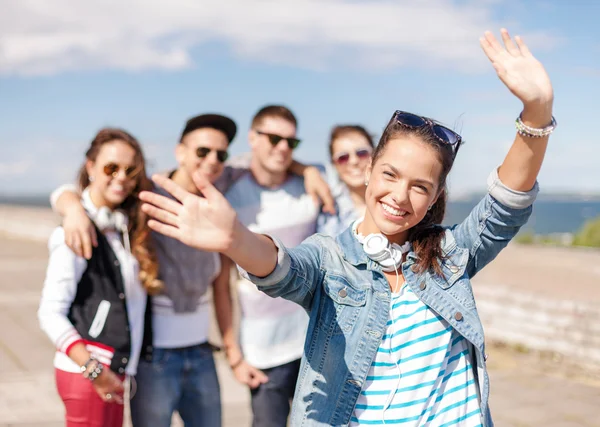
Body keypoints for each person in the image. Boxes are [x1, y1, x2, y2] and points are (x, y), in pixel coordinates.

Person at [139, 29, 555, 427]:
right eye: (390, 175)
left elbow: (506, 202)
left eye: (419, 187)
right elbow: (284, 269)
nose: (400, 196)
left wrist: (536, 110)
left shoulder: (450, 253)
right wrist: (236, 240)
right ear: (370, 171)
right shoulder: (330, 258)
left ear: (434, 196)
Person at [49, 113, 334, 427]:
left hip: (201, 353)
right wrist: (70, 206)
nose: (212, 160)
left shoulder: (221, 183)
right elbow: (101, 187)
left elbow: (268, 160)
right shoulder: (148, 192)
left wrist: (306, 169)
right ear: (180, 151)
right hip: (153, 357)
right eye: (202, 151)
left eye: (220, 154)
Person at [38, 128, 159, 427]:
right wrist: (93, 371)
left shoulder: (121, 227)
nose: (121, 177)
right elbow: (49, 313)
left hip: (111, 372)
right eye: (111, 167)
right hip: (90, 373)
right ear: (90, 166)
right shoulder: (75, 231)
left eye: (130, 170)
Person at [223, 105, 334, 427]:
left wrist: (308, 171)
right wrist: (234, 353)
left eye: (291, 142)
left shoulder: (313, 184)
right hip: (263, 351)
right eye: (274, 138)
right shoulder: (229, 195)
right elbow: (221, 281)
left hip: (316, 341)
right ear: (252, 139)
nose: (283, 147)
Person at [318, 125, 375, 237]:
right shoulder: (328, 208)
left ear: (375, 154)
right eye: (343, 157)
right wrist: (308, 172)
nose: (354, 161)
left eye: (362, 153)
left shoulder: (395, 201)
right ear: (334, 164)